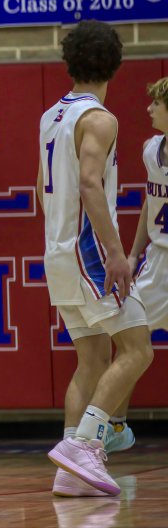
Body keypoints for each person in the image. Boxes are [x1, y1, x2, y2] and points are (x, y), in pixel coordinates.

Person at [38, 21, 153, 497]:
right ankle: (84, 445)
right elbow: (89, 184)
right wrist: (115, 253)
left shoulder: (51, 116)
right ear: (115, 64)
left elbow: (41, 189)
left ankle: (71, 471)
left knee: (92, 358)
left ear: (70, 62)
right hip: (88, 252)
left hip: (58, 252)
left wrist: (61, 242)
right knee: (138, 348)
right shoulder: (100, 119)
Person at [107, 77, 168, 456]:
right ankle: (116, 426)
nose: (148, 108)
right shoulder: (151, 150)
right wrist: (132, 255)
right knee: (128, 340)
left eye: (156, 103)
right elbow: (150, 202)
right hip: (157, 262)